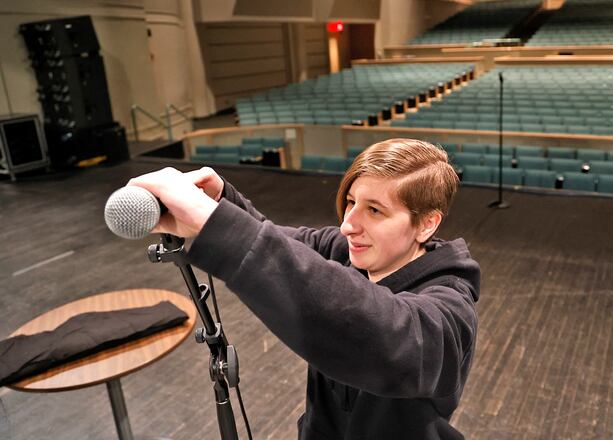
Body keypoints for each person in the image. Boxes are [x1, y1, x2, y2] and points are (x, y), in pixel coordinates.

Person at [128, 138, 481, 439]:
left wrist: (216, 224)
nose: (347, 225)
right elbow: (279, 245)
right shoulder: (346, 252)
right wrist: (223, 202)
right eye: (351, 202)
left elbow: (386, 333)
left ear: (427, 224)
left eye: (374, 210)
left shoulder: (450, 307)